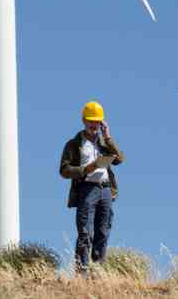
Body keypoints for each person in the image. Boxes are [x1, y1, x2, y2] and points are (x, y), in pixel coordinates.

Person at [58, 101, 125, 273]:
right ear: (84, 121)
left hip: (106, 190)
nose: (94, 125)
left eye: (97, 121)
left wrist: (108, 137)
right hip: (87, 189)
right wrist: (84, 170)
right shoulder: (74, 144)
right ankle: (82, 272)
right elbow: (64, 170)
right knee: (85, 232)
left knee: (103, 232)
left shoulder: (104, 143)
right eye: (91, 121)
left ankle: (97, 271)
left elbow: (119, 159)